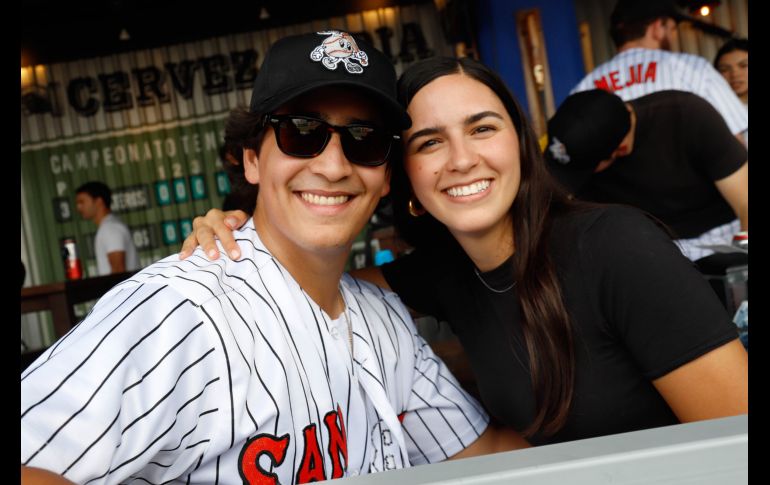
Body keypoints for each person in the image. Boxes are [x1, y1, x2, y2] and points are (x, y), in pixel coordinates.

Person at [22, 32, 527, 485]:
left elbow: (486, 457)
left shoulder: (383, 320)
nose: (332, 166)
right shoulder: (182, 309)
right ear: (252, 158)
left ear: (387, 175)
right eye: (301, 132)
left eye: (364, 140)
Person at [182, 55, 748, 446]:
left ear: (521, 147)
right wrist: (241, 230)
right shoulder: (448, 272)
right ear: (403, 182)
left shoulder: (616, 247)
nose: (460, 160)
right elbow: (312, 282)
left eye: (482, 129)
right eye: (429, 142)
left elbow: (736, 443)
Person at [544, 89, 747, 262]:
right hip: (644, 251)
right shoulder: (577, 145)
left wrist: (741, 261)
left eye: (584, 168)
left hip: (719, 239)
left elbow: (745, 201)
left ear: (620, 150)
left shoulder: (686, 114)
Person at [570, 0, 748, 146]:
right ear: (657, 28)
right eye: (671, 29)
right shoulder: (693, 70)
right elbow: (737, 141)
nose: (673, 36)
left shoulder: (583, 89)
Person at [74, 181, 140, 275]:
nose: (78, 207)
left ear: (99, 202)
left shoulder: (110, 229)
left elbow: (118, 270)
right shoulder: (109, 226)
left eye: (82, 202)